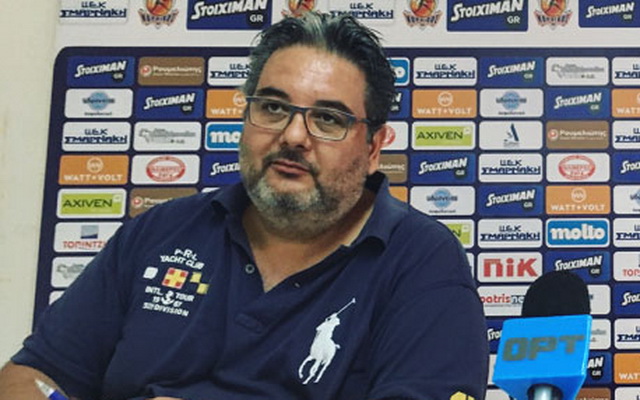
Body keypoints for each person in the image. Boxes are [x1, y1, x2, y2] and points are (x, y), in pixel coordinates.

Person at [0, 12, 488, 400]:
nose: (293, 136)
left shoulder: (422, 261)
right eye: (273, 107)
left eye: (327, 118)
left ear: (374, 146)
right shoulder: (162, 230)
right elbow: (31, 375)